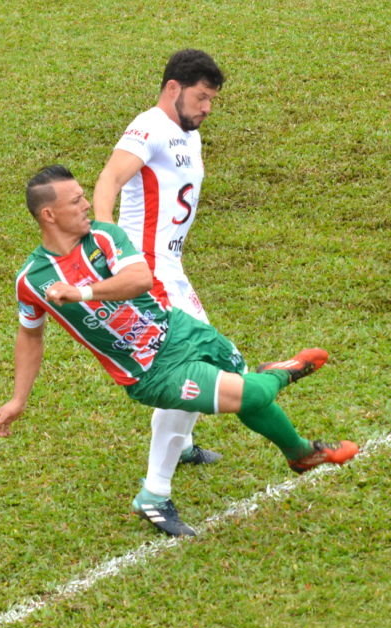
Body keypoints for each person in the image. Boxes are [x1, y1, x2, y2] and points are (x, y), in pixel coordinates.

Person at [0, 165, 359, 537]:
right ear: (49, 215)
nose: (87, 204)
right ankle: (282, 371)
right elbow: (30, 336)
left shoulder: (103, 237)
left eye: (84, 195)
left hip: (181, 329)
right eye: (76, 200)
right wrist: (19, 399)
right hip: (152, 372)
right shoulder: (32, 280)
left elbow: (139, 280)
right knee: (257, 391)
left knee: (251, 392)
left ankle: (300, 454)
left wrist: (81, 292)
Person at [92, 48, 225, 516]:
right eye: (202, 97)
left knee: (199, 361)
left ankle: (181, 441)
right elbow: (109, 178)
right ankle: (155, 493)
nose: (208, 107)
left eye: (212, 99)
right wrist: (107, 239)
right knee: (193, 368)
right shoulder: (149, 126)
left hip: (171, 268)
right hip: (148, 274)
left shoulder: (188, 133)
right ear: (174, 89)